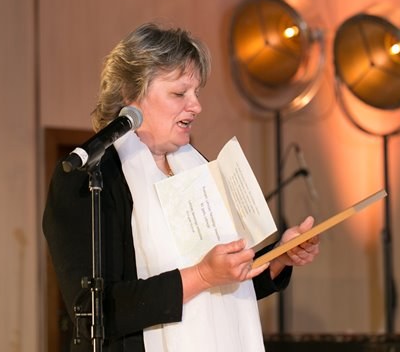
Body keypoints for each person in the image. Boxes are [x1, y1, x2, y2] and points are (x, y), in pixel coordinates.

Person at [42, 22, 320, 352]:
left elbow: (224, 289)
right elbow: (94, 311)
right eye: (179, 93)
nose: (196, 106)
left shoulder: (197, 167)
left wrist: (277, 258)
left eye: (196, 93)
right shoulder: (88, 178)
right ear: (131, 96)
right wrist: (202, 275)